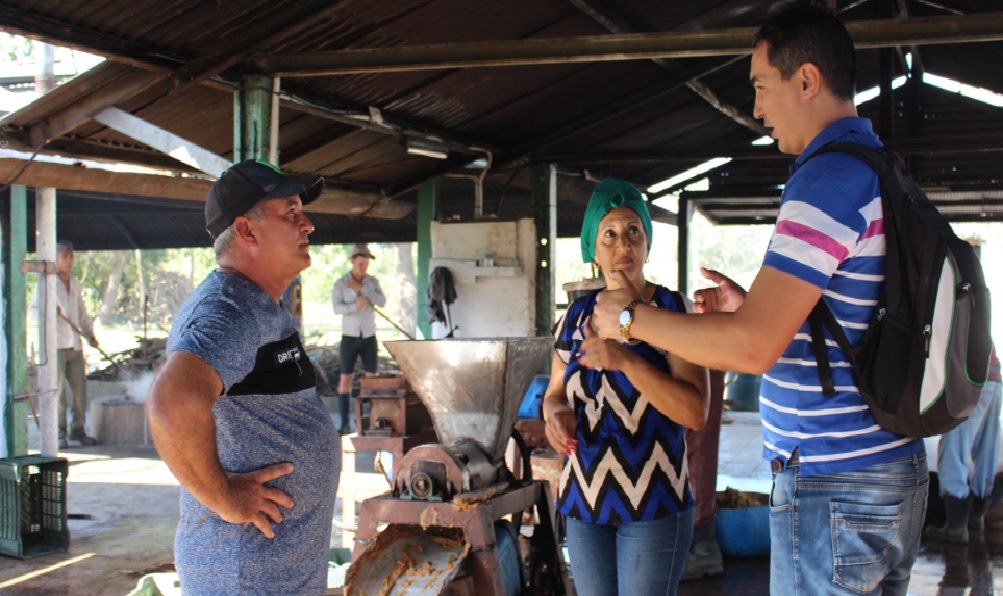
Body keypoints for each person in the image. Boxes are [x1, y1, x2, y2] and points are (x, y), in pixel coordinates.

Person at [591, 6, 929, 595]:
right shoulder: (877, 165)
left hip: (833, 482)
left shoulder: (825, 179)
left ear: (806, 81)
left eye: (761, 87)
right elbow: (850, 321)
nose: (757, 109)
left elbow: (750, 347)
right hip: (887, 469)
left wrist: (629, 321)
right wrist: (751, 307)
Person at [146, 159, 340, 595]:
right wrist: (224, 498)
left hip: (271, 572)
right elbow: (171, 404)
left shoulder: (257, 306)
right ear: (246, 231)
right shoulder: (229, 310)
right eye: (289, 212)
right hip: (245, 574)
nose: (306, 223)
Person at [542, 178, 710, 596]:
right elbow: (554, 393)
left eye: (634, 231)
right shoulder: (574, 319)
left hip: (653, 499)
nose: (624, 245)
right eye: (610, 234)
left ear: (648, 244)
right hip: (583, 499)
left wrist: (626, 360)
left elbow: (694, 412)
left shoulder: (673, 311)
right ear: (593, 251)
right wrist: (555, 415)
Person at [925, 344, 1001, 543]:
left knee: (954, 450)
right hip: (993, 378)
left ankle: (956, 528)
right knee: (986, 449)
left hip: (968, 379)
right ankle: (976, 519)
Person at [331, 242, 386, 434]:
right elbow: (336, 308)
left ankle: (374, 421)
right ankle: (345, 423)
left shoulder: (372, 282)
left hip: (369, 335)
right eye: (360, 263)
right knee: (346, 378)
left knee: (372, 378)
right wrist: (354, 306)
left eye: (366, 264)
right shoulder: (341, 283)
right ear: (353, 262)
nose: (363, 267)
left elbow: (382, 301)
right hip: (350, 336)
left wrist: (363, 290)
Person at [54, 240, 99, 448]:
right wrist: (49, 312)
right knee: (58, 392)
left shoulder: (74, 282)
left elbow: (81, 313)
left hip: (75, 344)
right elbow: (33, 311)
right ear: (55, 258)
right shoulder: (47, 283)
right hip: (55, 345)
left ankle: (78, 430)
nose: (69, 260)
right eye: (64, 256)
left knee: (80, 390)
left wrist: (90, 334)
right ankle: (59, 433)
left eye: (71, 256)